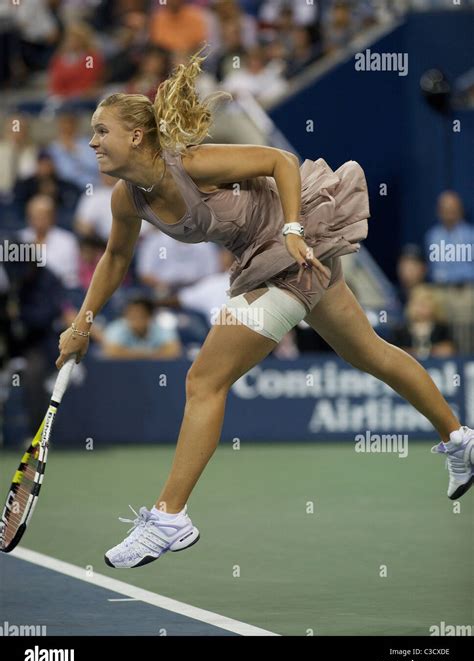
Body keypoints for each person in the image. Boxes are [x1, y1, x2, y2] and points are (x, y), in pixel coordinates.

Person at [56, 48, 474, 570]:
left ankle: (170, 517)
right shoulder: (127, 199)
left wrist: (295, 229)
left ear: (135, 136)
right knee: (368, 352)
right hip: (263, 259)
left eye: (102, 131)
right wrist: (82, 322)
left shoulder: (191, 163)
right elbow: (116, 257)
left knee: (203, 380)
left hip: (293, 246)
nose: (93, 141)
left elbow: (281, 161)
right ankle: (460, 439)